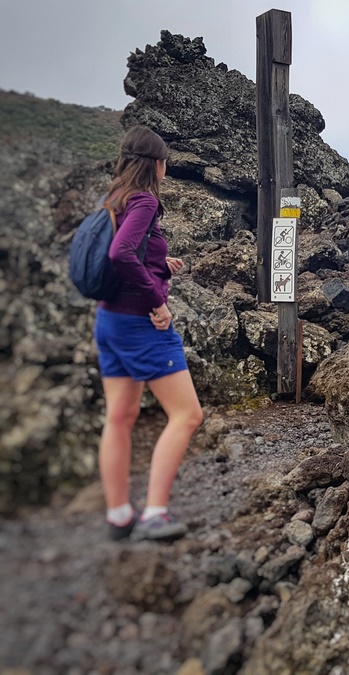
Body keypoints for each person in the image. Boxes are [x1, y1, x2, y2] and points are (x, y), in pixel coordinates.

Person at [94, 125, 203, 542]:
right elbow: (120, 253)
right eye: (165, 163)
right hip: (141, 322)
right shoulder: (143, 200)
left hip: (109, 321)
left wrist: (161, 264)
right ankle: (154, 515)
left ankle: (119, 514)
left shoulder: (115, 198)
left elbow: (129, 251)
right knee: (187, 414)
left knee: (119, 416)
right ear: (157, 164)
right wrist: (158, 302)